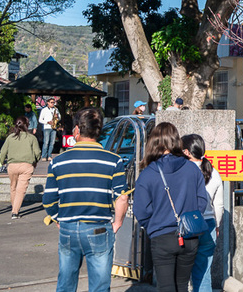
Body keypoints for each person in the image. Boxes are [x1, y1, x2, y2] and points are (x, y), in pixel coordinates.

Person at [42, 107, 130, 292]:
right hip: (99, 227)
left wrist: (58, 218)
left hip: (68, 227)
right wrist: (118, 222)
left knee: (66, 283)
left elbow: (49, 199)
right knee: (99, 286)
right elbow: (121, 198)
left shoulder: (58, 161)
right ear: (99, 131)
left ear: (76, 130)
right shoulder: (114, 161)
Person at [134, 122, 208, 292]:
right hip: (190, 235)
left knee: (166, 287)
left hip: (162, 236)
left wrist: (155, 223)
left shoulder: (147, 174)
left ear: (154, 142)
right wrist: (191, 218)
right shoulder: (192, 168)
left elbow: (141, 211)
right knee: (182, 286)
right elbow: (202, 201)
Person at [181, 134, 224, 292]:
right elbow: (218, 205)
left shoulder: (182, 172)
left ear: (187, 152)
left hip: (186, 226)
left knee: (181, 273)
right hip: (208, 225)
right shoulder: (214, 173)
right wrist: (217, 225)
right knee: (204, 272)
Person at [0, 116, 41, 218]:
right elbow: (37, 153)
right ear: (27, 125)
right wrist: (35, 161)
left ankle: (14, 208)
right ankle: (15, 212)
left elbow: (3, 152)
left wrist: (1, 163)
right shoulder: (31, 138)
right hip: (27, 166)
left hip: (12, 166)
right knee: (21, 190)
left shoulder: (10, 137)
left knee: (13, 187)